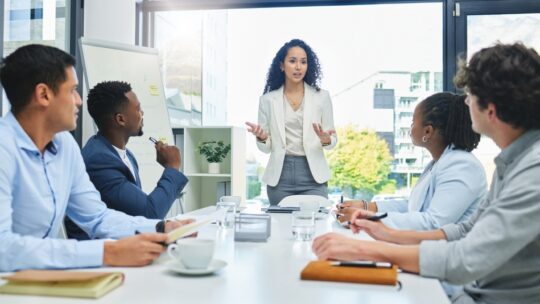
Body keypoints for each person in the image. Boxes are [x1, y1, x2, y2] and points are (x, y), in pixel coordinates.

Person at [313, 43, 540, 304]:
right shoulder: (511, 163)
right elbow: (464, 230)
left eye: (471, 95)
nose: (466, 101)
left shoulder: (532, 171)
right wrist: (387, 233)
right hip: (473, 290)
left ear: (491, 110)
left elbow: (464, 259)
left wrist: (365, 249)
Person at [0, 44, 192, 272]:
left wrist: (161, 227)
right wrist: (107, 252)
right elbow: (3, 248)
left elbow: (96, 217)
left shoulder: (65, 146)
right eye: (72, 90)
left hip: (33, 281)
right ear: (44, 95)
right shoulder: (5, 148)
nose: (79, 100)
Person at [337, 92, 487, 230]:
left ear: (427, 131)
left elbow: (433, 223)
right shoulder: (439, 162)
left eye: (413, 122)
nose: (410, 129)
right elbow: (413, 207)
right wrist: (368, 207)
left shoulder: (462, 165)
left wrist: (368, 219)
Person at [65, 81, 188, 240]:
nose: (142, 113)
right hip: (99, 252)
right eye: (137, 109)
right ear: (121, 119)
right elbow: (149, 213)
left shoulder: (126, 155)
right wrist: (172, 168)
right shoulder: (99, 160)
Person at [245, 39, 337, 205]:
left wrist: (326, 139)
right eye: (292, 61)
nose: (298, 67)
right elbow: (265, 148)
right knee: (281, 226)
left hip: (313, 177)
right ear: (282, 65)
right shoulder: (267, 100)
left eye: (303, 62)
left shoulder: (322, 97)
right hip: (280, 178)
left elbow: (332, 141)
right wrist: (261, 137)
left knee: (316, 227)